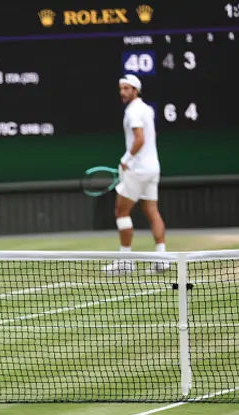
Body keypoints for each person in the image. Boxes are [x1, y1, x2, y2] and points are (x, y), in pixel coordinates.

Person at [103, 75, 168, 274]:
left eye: (126, 88)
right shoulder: (147, 109)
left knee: (121, 212)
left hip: (138, 170)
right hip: (152, 169)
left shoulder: (133, 112)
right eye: (121, 88)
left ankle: (126, 261)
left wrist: (125, 160)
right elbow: (151, 135)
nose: (122, 92)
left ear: (136, 90)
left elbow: (139, 139)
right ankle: (162, 259)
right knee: (152, 212)